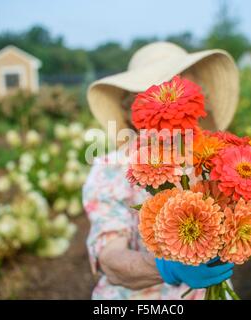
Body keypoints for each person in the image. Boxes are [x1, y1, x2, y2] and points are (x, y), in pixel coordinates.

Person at [83, 42, 240, 299]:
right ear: (132, 105)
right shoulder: (110, 169)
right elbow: (110, 259)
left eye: (180, 85)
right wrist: (168, 267)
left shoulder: (215, 157)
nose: (171, 96)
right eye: (159, 87)